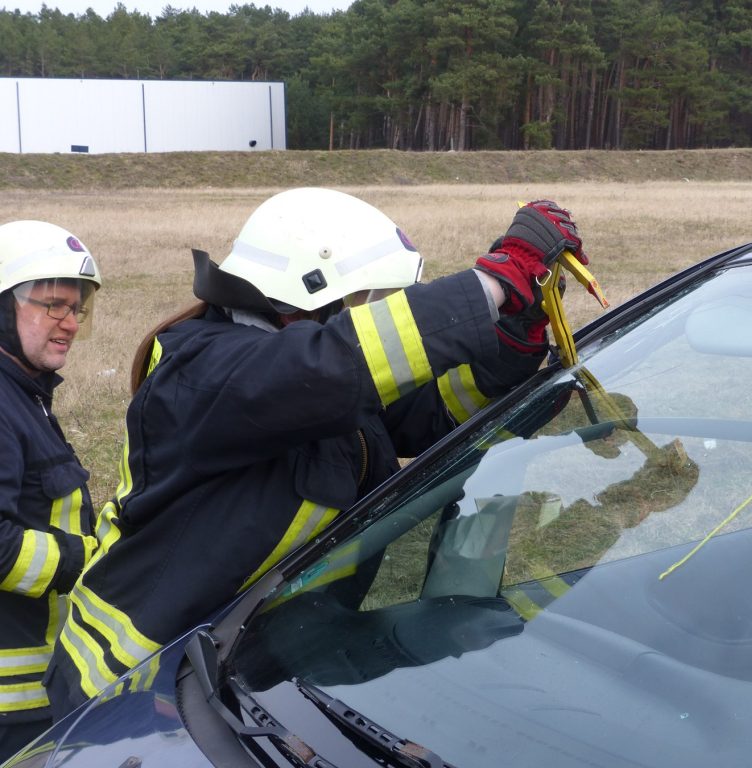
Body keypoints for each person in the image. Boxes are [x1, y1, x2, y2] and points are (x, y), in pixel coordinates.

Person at [43, 188, 587, 719]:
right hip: (128, 679)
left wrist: (513, 329)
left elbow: (433, 414)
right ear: (308, 295)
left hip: (242, 670)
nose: (375, 313)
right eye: (364, 301)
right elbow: (326, 368)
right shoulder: (202, 372)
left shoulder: (318, 376)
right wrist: (492, 282)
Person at [0, 221, 102, 760]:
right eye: (52, 306)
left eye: (76, 308)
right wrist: (92, 560)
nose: (69, 324)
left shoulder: (24, 392)